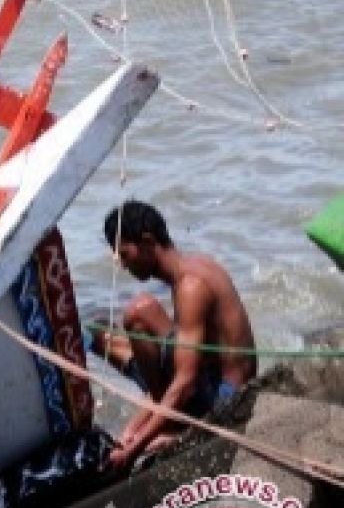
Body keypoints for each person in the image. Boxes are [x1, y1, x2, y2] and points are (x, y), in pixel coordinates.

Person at [91, 200, 257, 470]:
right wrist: (135, 425)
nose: (122, 265)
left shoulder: (190, 288)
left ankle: (174, 423)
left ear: (147, 242)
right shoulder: (195, 266)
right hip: (213, 375)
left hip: (227, 398)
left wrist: (134, 448)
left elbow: (185, 382)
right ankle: (164, 416)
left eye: (124, 254)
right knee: (134, 317)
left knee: (130, 319)